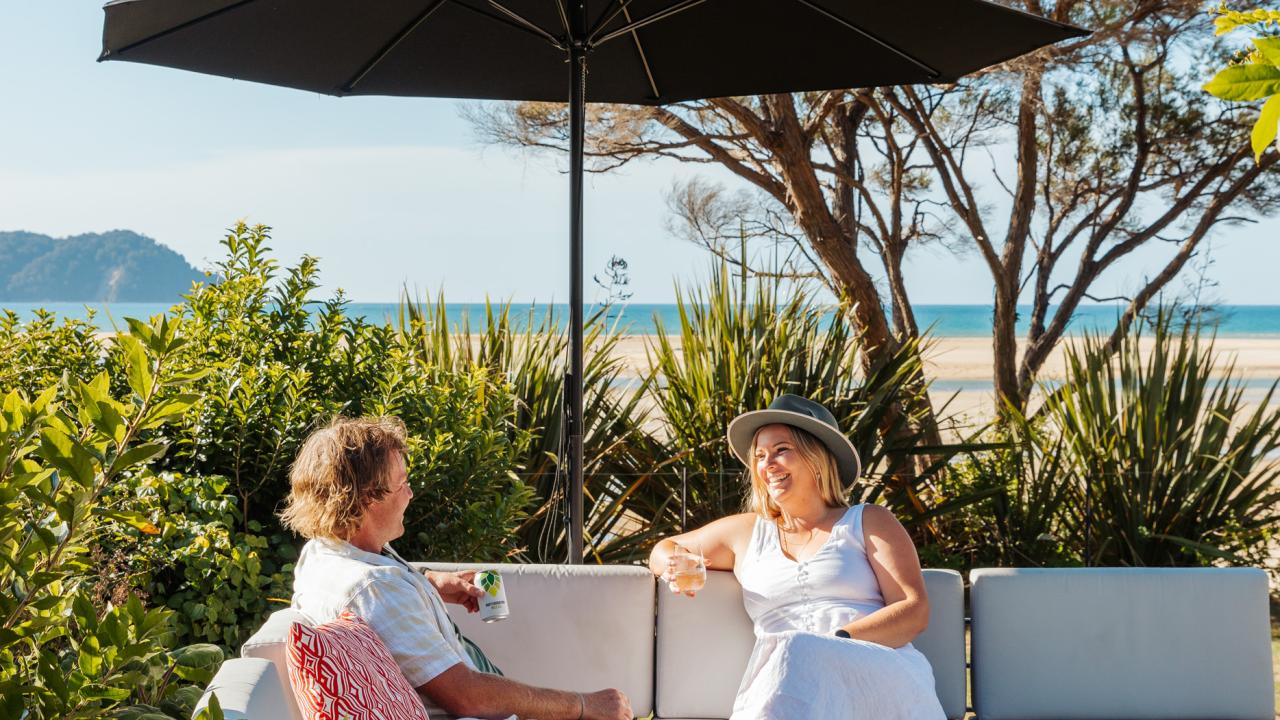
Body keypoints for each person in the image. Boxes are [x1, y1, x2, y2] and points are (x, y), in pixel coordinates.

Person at [281, 415, 631, 720]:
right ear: (366, 498)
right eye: (401, 484)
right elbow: (467, 696)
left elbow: (376, 607)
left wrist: (431, 584)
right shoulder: (376, 588)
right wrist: (585, 705)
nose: (410, 494)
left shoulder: (322, 553)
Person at [648, 394, 945, 720]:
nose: (767, 464)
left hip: (873, 670)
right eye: (760, 455)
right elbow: (662, 549)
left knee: (797, 649)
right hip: (784, 685)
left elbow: (913, 611)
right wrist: (676, 564)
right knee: (793, 653)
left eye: (781, 450)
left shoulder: (868, 521)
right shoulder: (745, 532)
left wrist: (832, 645)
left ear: (818, 457)